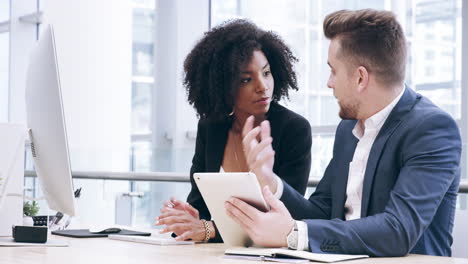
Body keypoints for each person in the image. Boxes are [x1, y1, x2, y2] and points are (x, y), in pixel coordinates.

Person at [225, 9, 461, 257]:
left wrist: (294, 233)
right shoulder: (347, 129)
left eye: (333, 71)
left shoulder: (432, 129)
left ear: (360, 78)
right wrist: (270, 182)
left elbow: (398, 231)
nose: (329, 82)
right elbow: (321, 211)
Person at [155, 19, 312, 243]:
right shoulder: (211, 127)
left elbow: (287, 216)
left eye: (266, 73)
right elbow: (201, 204)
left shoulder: (294, 129)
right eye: (246, 79)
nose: (262, 86)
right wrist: (190, 217)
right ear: (221, 86)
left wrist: (209, 229)